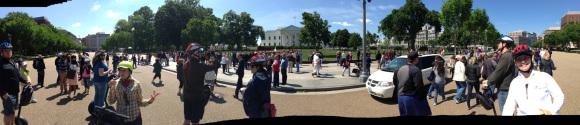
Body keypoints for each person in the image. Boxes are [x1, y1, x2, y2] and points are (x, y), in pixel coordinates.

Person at [502, 45, 564, 116]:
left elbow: (559, 95)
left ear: (531, 59)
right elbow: (509, 106)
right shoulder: (514, 83)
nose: (523, 61)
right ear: (515, 62)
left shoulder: (544, 77)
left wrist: (552, 110)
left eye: (526, 58)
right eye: (519, 59)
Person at [182, 43, 219, 125]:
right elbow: (216, 65)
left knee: (187, 119)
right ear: (193, 53)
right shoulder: (200, 66)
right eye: (198, 52)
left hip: (187, 95)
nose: (200, 53)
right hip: (197, 97)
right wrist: (213, 54)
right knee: (195, 122)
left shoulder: (186, 64)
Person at [481, 36, 517, 113]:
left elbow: (498, 72)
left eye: (499, 42)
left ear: (504, 44)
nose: (497, 44)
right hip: (504, 88)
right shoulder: (506, 55)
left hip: (504, 89)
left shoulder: (506, 56)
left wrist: (487, 81)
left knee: (505, 112)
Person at [0, 41, 31, 125]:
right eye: (6, 50)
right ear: (1, 52)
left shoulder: (12, 62)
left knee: (13, 112)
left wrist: (25, 81)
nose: (9, 52)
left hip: (15, 92)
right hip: (7, 94)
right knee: (8, 114)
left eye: (10, 50)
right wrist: (3, 93)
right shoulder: (1, 64)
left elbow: (17, 75)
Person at [393, 51, 431, 116]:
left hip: (400, 98)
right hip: (410, 98)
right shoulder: (416, 70)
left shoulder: (398, 69)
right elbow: (419, 87)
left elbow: (395, 82)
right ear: (416, 59)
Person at [243, 54, 272, 118]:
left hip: (255, 112)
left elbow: (246, 99)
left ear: (258, 67)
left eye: (252, 65)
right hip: (266, 109)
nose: (250, 67)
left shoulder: (252, 82)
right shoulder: (268, 77)